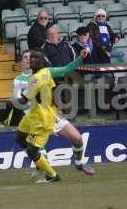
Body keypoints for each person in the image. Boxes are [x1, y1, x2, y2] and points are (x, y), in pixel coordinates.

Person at [13, 51, 94, 180]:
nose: (29, 60)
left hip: (51, 115)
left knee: (77, 139)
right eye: (26, 57)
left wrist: (80, 57)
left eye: (32, 57)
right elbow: (18, 100)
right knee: (29, 144)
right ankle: (45, 170)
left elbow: (66, 69)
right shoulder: (18, 80)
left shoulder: (46, 71)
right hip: (34, 117)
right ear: (21, 61)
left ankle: (78, 164)